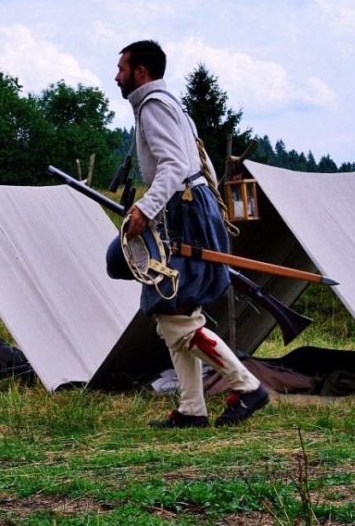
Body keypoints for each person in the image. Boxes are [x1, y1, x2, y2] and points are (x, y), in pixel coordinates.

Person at [108, 40, 269, 428]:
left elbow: (177, 164)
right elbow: (195, 159)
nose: (116, 76)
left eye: (122, 68)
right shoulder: (167, 104)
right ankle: (192, 408)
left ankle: (247, 387)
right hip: (189, 206)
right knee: (172, 315)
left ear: (141, 71)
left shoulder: (153, 105)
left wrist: (146, 208)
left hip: (182, 210)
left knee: (175, 312)